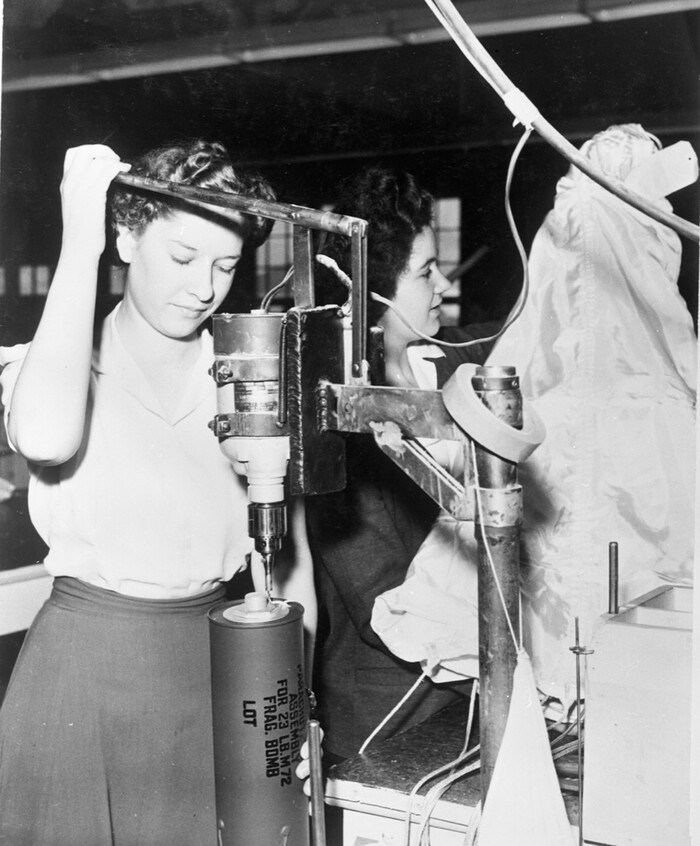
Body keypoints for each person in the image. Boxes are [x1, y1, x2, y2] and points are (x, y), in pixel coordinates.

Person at [0, 140, 311, 846]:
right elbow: (46, 439)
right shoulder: (54, 367)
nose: (204, 287)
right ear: (125, 237)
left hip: (218, 675)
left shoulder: (248, 380)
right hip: (84, 677)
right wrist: (77, 241)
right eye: (180, 257)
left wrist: (291, 710)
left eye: (226, 265)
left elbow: (292, 568)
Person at [305, 165, 502, 766]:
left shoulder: (440, 369)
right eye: (425, 272)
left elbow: (521, 332)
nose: (443, 284)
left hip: (465, 691)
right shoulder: (335, 421)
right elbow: (379, 597)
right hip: (388, 716)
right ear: (372, 294)